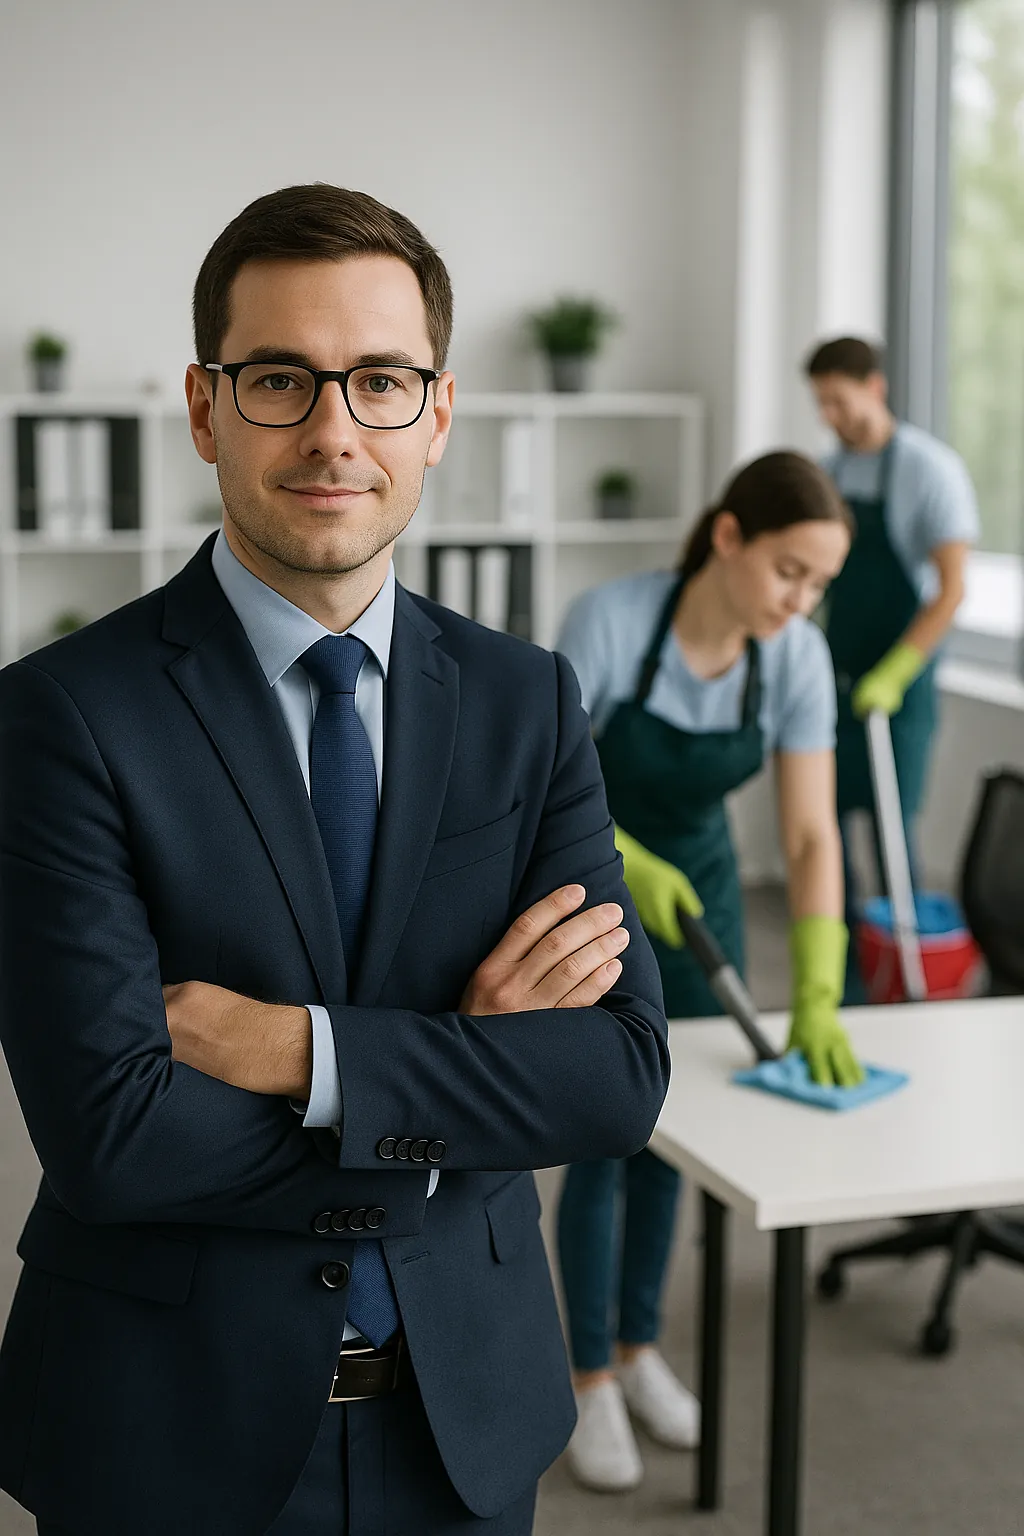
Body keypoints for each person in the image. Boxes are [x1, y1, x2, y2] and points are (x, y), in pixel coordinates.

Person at [0, 185, 670, 1536]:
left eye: (379, 380)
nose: (332, 431)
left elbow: (614, 1077)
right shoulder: (59, 715)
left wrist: (302, 1054)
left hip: (466, 1419)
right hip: (165, 1434)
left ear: (437, 412)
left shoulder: (527, 701)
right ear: (206, 409)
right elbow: (114, 1135)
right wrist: (464, 1076)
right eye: (278, 380)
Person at [554, 451, 864, 1492]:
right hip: (592, 896)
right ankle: (587, 1374)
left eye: (818, 583)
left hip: (704, 906)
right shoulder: (610, 622)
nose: (799, 600)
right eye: (789, 571)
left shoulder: (795, 659)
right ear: (728, 537)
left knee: (670, 1138)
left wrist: (818, 987)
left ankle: (639, 1347)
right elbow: (543, 786)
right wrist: (622, 863)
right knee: (603, 1136)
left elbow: (811, 836)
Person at [804, 337, 979, 1001]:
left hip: (898, 689)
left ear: (874, 387)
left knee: (890, 829)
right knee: (826, 826)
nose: (830, 416)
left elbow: (951, 588)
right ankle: (848, 970)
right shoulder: (831, 472)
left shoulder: (930, 471)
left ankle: (903, 974)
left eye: (839, 400)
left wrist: (897, 671)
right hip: (835, 676)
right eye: (821, 403)